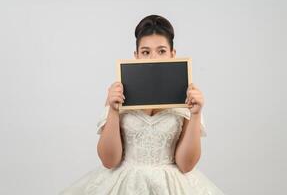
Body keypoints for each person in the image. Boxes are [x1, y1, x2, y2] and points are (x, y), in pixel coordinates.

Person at [60, 14, 225, 195]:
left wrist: (196, 115)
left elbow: (186, 165)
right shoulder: (119, 93)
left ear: (172, 54)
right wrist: (114, 111)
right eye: (146, 52)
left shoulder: (187, 97)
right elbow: (109, 161)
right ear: (136, 55)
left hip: (171, 186)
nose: (153, 57)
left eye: (161, 51)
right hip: (125, 183)